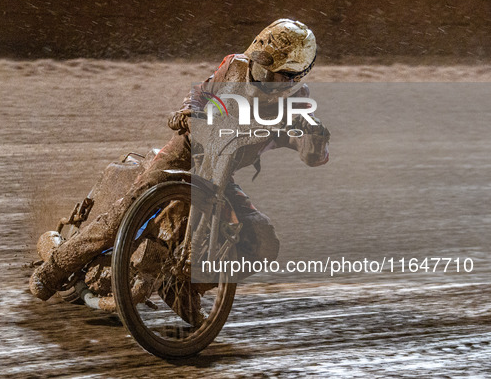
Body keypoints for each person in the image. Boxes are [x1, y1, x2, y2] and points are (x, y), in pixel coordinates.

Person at [29, 18, 330, 301]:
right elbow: (200, 93)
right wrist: (187, 111)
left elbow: (312, 156)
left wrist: (315, 137)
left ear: (294, 76)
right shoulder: (235, 66)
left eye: (268, 72)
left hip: (219, 173)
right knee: (125, 212)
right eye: (258, 64)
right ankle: (54, 267)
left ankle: (186, 288)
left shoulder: (298, 105)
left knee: (264, 242)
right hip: (187, 149)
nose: (258, 75)